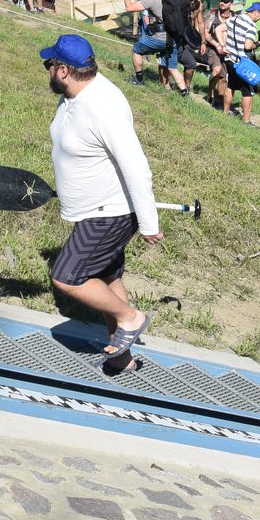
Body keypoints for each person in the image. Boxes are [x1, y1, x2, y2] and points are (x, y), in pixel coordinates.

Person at [41, 33, 163, 372]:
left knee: (67, 276)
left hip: (109, 214)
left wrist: (150, 223)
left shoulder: (104, 104)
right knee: (107, 279)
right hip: (93, 208)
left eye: (50, 64)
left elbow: (136, 167)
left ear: (63, 70)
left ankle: (130, 317)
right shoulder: (72, 95)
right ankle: (122, 360)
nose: (47, 69)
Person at [221, 0, 260, 125]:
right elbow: (247, 46)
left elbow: (219, 29)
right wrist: (258, 43)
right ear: (256, 12)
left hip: (230, 59)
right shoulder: (251, 26)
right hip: (242, 63)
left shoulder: (234, 19)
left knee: (231, 86)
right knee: (248, 92)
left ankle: (225, 112)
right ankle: (246, 121)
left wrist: (223, 45)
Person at [157, 0, 198, 97]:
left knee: (191, 64)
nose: (192, 1)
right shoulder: (172, 1)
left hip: (185, 40)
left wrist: (198, 40)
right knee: (166, 62)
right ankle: (165, 85)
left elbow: (198, 23)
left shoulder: (197, 5)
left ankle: (186, 87)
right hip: (172, 37)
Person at [127, 0, 171, 81]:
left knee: (136, 50)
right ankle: (169, 85)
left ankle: (139, 79)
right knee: (165, 57)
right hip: (172, 36)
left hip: (159, 37)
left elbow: (129, 8)